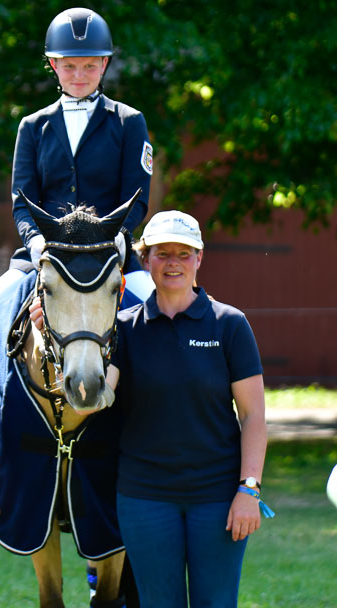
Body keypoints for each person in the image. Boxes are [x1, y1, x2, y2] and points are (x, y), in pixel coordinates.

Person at [105, 210, 272, 608]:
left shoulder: (230, 324)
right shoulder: (123, 329)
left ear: (200, 258)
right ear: (146, 260)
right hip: (145, 498)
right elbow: (92, 404)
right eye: (163, 253)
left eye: (184, 253)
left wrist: (249, 489)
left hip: (217, 498)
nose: (173, 263)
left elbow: (253, 416)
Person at [0, 6, 154, 316]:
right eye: (69, 66)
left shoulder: (129, 122)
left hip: (110, 253)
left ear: (104, 64)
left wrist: (117, 236)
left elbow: (137, 199)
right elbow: (22, 202)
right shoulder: (32, 126)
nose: (79, 76)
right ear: (53, 64)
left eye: (89, 66)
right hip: (47, 254)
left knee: (164, 316)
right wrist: (35, 241)